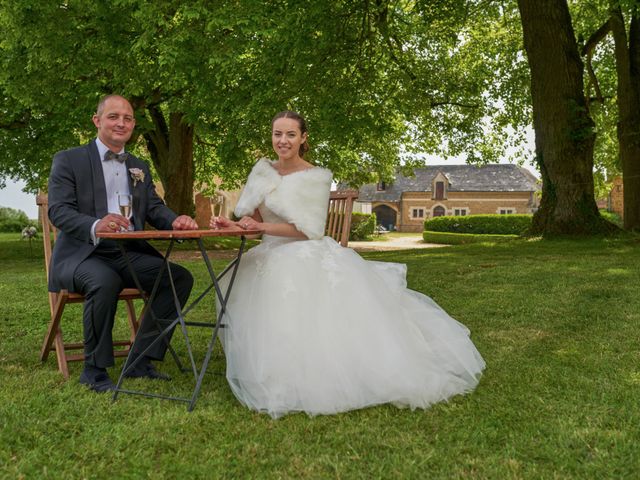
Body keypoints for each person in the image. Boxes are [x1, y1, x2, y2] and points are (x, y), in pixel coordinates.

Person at [210, 111, 485, 418]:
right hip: (267, 251)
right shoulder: (261, 171)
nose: (282, 141)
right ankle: (269, 367)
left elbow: (308, 231)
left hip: (302, 251)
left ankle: (312, 372)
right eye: (277, 134)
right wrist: (233, 225)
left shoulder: (315, 177)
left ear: (303, 138)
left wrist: (260, 229)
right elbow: (254, 220)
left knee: (288, 286)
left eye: (290, 135)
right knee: (239, 278)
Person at [47, 94, 198, 393]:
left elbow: (154, 207)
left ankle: (140, 360)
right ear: (97, 120)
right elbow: (58, 211)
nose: (121, 123)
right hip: (83, 254)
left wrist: (176, 220)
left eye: (127, 118)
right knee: (105, 280)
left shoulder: (139, 165)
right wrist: (95, 224)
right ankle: (94, 370)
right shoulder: (69, 159)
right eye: (114, 116)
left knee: (177, 277)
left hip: (128, 253)